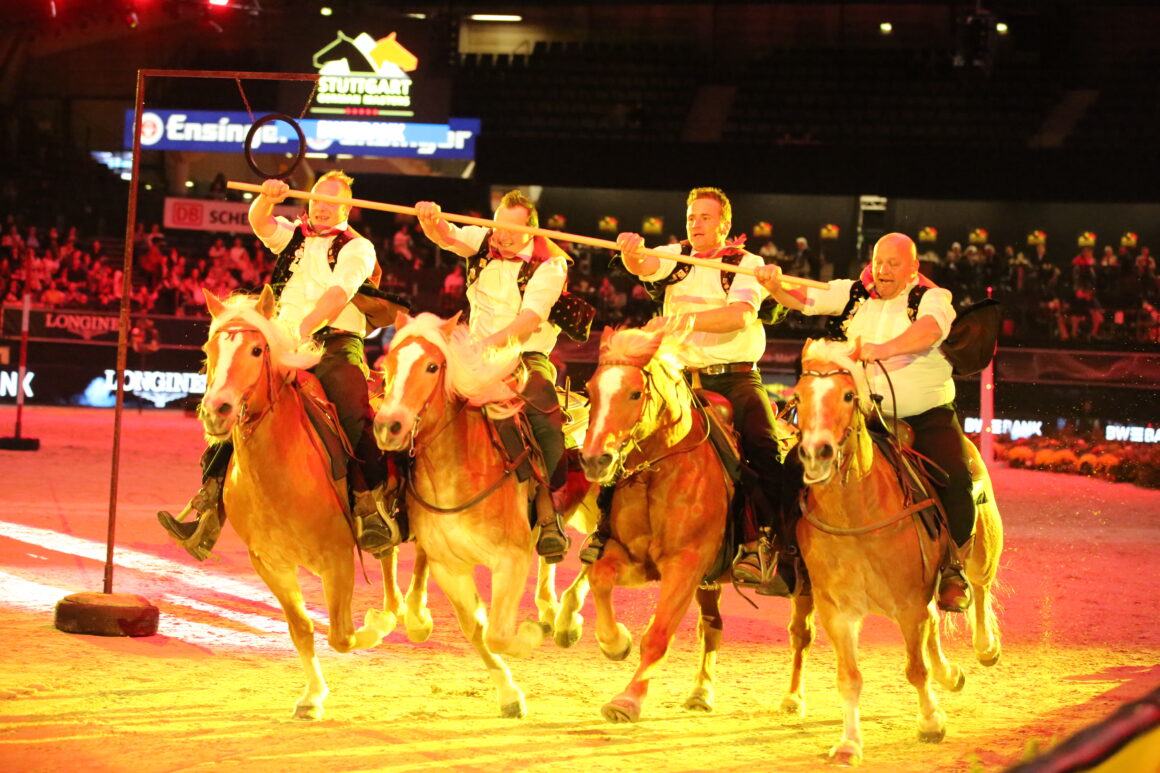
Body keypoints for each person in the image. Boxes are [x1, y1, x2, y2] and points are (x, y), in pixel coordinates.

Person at [158, 171, 397, 559]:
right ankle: (208, 503)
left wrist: (305, 327)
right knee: (240, 402)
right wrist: (267, 198)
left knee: (354, 412)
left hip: (336, 341)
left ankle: (370, 503)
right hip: (283, 341)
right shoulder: (294, 234)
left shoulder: (358, 248)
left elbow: (339, 293)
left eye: (331, 202)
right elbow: (259, 222)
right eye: (316, 199)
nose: (321, 207)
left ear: (347, 208)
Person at [755, 232, 973, 612]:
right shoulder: (854, 292)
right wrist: (775, 285)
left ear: (913, 268)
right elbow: (805, 300)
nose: (883, 270)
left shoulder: (932, 298)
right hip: (863, 418)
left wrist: (882, 350)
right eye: (878, 261)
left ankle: (953, 567)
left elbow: (930, 331)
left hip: (926, 416)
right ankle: (787, 556)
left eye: (893, 263)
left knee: (955, 476)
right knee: (794, 465)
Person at [614, 186, 793, 596]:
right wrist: (630, 250)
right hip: (677, 376)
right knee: (621, 431)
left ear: (725, 225)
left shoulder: (747, 263)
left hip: (735, 377)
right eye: (692, 217)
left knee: (765, 447)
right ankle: (607, 528)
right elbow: (644, 266)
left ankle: (765, 541)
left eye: (705, 218)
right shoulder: (675, 255)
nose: (696, 224)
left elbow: (742, 315)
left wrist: (685, 322)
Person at [379, 190, 572, 562]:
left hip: (523, 355)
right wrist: (429, 218)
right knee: (419, 401)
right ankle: (402, 501)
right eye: (498, 225)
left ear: (531, 231)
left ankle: (549, 513)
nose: (501, 236)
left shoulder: (551, 265)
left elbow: (528, 322)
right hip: (473, 352)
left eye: (511, 230)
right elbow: (445, 234)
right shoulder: (483, 240)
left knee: (545, 415)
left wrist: (484, 349)